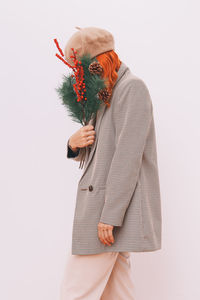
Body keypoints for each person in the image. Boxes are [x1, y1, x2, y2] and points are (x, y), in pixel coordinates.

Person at [60, 26, 162, 300]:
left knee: (74, 292)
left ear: (98, 62)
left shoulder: (131, 89)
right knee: (117, 293)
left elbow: (128, 156)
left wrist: (110, 215)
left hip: (106, 213)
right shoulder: (105, 94)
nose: (77, 76)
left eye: (81, 68)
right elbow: (98, 154)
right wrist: (73, 144)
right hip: (103, 208)